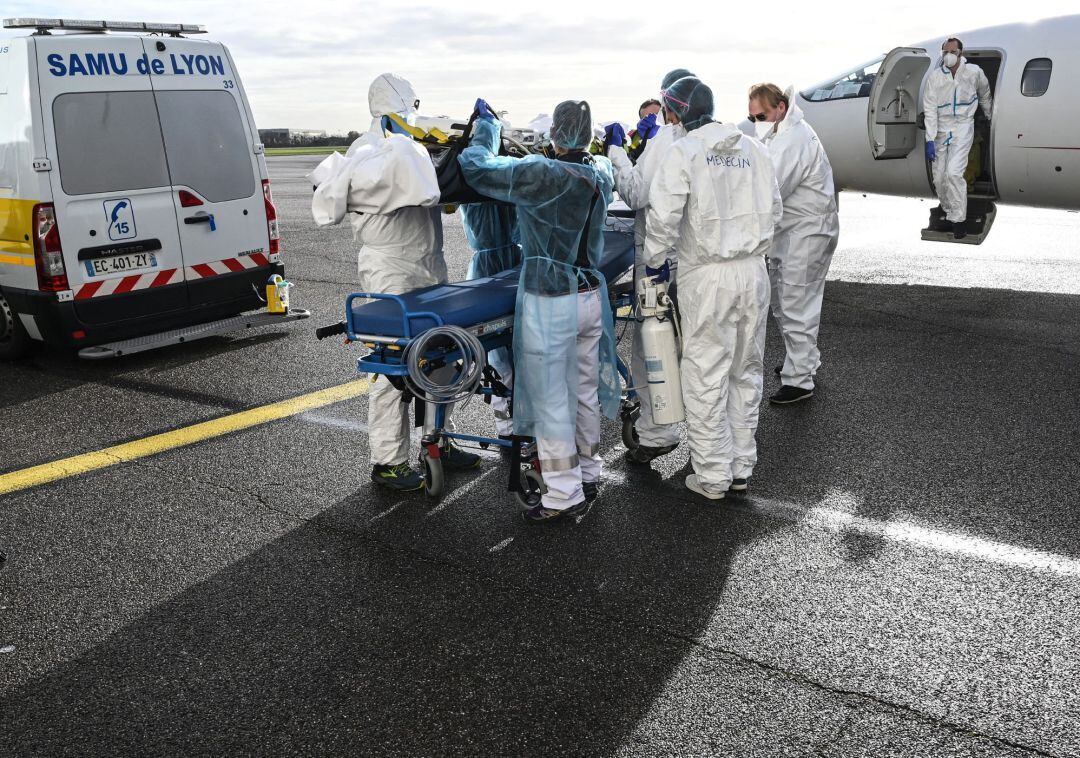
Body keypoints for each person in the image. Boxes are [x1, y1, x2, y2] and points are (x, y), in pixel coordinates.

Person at [460, 98, 620, 523]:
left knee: (549, 398)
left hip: (551, 300)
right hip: (590, 296)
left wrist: (486, 131)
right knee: (583, 391)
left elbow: (477, 169)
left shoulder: (543, 174)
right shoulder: (600, 172)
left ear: (555, 135)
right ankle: (589, 473)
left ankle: (563, 493)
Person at [644, 76, 783, 500]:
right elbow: (775, 209)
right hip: (753, 272)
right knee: (746, 371)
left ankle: (713, 476)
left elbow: (663, 218)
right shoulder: (754, 149)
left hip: (707, 275)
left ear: (677, 112)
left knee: (706, 373)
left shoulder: (685, 151)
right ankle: (741, 466)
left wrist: (653, 263)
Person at [348, 73, 481, 491]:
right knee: (391, 369)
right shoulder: (369, 153)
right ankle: (388, 460)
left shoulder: (410, 148)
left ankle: (438, 441)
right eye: (412, 103)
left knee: (438, 358)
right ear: (398, 103)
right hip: (389, 269)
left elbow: (433, 200)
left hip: (427, 263)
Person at [602, 68, 695, 464]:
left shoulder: (666, 143)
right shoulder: (720, 143)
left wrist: (617, 153)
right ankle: (714, 449)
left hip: (657, 259)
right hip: (698, 260)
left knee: (651, 346)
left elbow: (636, 193)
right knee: (698, 348)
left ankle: (657, 433)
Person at [747, 83, 840, 405]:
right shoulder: (782, 134)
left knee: (796, 302)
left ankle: (800, 381)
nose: (756, 120)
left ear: (780, 108)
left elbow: (768, 192)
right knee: (786, 300)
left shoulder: (792, 140)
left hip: (807, 232)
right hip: (795, 232)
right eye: (752, 116)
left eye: (761, 114)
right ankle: (803, 360)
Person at [459, 202, 522, 438]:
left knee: (512, 350)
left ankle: (516, 421)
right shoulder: (493, 176)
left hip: (509, 262)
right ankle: (508, 425)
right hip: (498, 267)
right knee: (501, 354)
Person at [923, 37, 993, 239]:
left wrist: (989, 117)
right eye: (945, 52)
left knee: (953, 174)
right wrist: (930, 139)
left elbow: (985, 94)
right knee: (939, 178)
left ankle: (958, 220)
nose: (948, 55)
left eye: (952, 52)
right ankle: (948, 209)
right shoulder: (936, 77)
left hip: (963, 127)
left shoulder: (974, 73)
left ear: (961, 53)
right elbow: (929, 109)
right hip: (941, 129)